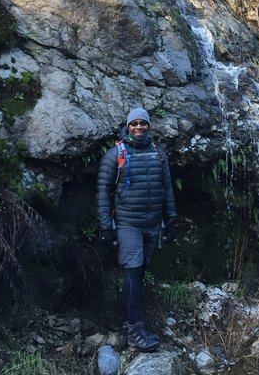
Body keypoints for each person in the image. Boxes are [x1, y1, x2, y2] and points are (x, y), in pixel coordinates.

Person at [97, 107, 176, 352]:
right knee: (132, 269)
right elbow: (102, 191)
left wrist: (171, 218)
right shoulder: (115, 155)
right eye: (134, 124)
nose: (139, 127)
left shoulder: (158, 154)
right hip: (128, 223)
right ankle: (134, 330)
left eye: (143, 123)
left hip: (152, 223)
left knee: (140, 270)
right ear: (128, 126)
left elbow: (167, 188)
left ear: (148, 126)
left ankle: (133, 318)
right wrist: (105, 227)